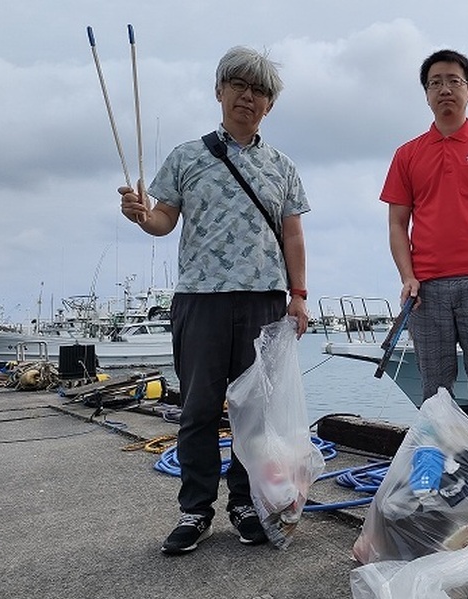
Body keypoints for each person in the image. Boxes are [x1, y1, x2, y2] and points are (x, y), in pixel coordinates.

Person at [118, 46, 310, 556]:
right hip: (199, 299)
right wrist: (142, 215)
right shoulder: (187, 156)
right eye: (238, 85)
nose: (248, 96)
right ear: (220, 91)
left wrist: (299, 295)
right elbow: (163, 220)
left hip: (264, 300)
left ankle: (246, 504)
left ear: (270, 105)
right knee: (198, 408)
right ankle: (195, 510)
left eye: (259, 90)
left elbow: (293, 235)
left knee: (256, 413)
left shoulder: (283, 166)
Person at [381, 49, 468, 426]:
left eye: (453, 81)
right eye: (435, 83)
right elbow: (397, 224)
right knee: (435, 393)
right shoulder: (407, 154)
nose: (444, 89)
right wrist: (407, 277)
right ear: (426, 94)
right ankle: (440, 459)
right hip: (426, 290)